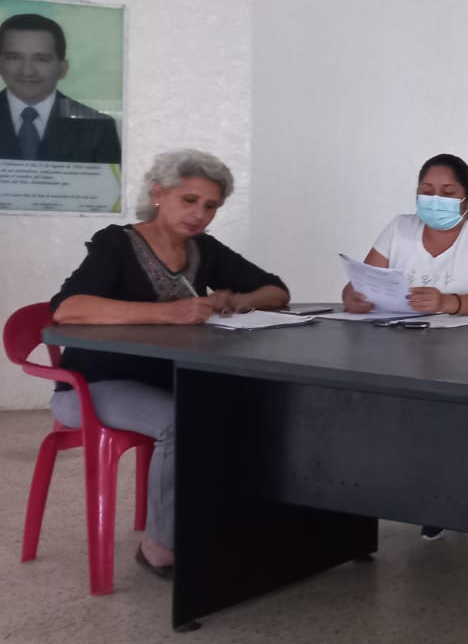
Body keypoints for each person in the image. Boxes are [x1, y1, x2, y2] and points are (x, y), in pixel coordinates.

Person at [49, 149, 289, 577]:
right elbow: (67, 308)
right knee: (179, 422)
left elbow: (276, 291)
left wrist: (238, 299)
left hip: (168, 378)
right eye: (189, 200)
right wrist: (166, 313)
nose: (199, 214)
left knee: (248, 404)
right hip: (92, 385)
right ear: (159, 194)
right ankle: (158, 547)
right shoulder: (116, 243)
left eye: (210, 206)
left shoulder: (203, 250)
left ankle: (232, 525)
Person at [342, 153, 468, 541]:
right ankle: (385, 497)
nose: (435, 199)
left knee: (446, 406)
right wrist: (354, 297)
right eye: (427, 190)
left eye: (448, 192)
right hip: (410, 346)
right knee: (360, 400)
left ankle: (445, 497)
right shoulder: (399, 228)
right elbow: (360, 282)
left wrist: (446, 302)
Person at [0, 13, 122, 164]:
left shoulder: (98, 128)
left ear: (62, 69)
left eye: (41, 59)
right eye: (14, 58)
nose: (27, 71)